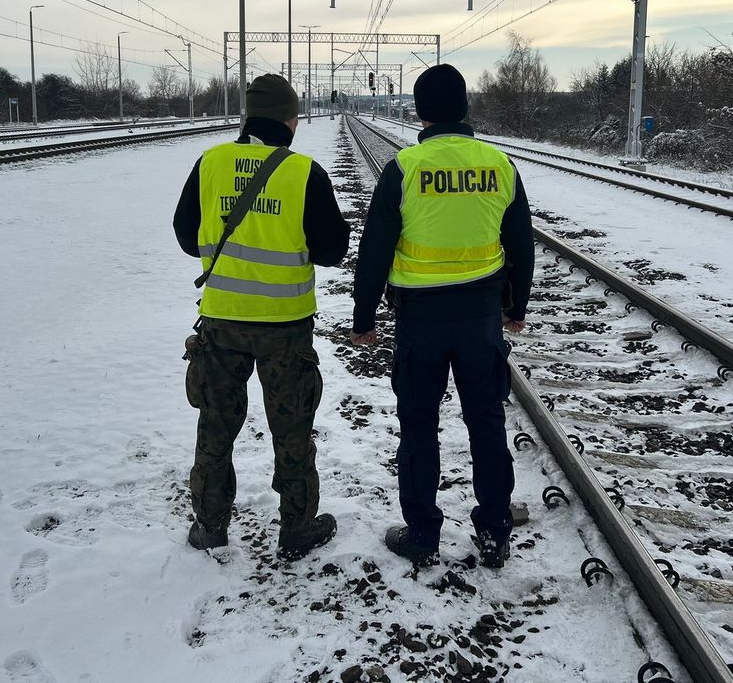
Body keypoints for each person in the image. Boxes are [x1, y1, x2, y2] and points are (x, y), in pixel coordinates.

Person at [350, 64, 534, 568]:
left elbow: (374, 252)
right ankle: (495, 530)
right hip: (480, 319)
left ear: (420, 111)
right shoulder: (500, 165)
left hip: (420, 321)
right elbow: (521, 243)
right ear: (465, 106)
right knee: (486, 423)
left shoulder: (405, 167)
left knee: (418, 427)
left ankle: (423, 534)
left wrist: (364, 317)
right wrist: (516, 306)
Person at [173, 73, 350, 560]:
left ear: (248, 117)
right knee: (291, 428)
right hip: (285, 328)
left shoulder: (209, 164)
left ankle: (210, 525)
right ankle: (296, 526)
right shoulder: (303, 173)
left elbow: (186, 236)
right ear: (290, 120)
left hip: (221, 322)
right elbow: (334, 249)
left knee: (215, 423)